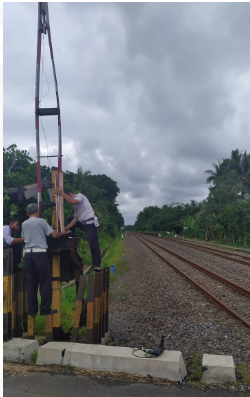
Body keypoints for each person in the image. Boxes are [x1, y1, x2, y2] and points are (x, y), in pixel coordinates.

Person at [22, 203, 68, 317]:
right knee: (45, 282)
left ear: (27, 213)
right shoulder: (41, 221)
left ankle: (32, 311)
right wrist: (63, 233)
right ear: (37, 211)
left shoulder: (24, 223)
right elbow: (54, 236)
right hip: (40, 254)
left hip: (28, 254)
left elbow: (33, 233)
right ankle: (45, 309)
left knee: (31, 283)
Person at [55, 187, 102, 272]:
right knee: (70, 219)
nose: (68, 201)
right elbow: (76, 219)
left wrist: (61, 193)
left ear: (69, 194)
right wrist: (67, 227)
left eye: (67, 197)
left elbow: (73, 201)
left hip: (90, 224)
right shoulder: (75, 206)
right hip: (83, 223)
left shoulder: (80, 196)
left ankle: (97, 265)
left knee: (93, 244)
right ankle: (71, 240)